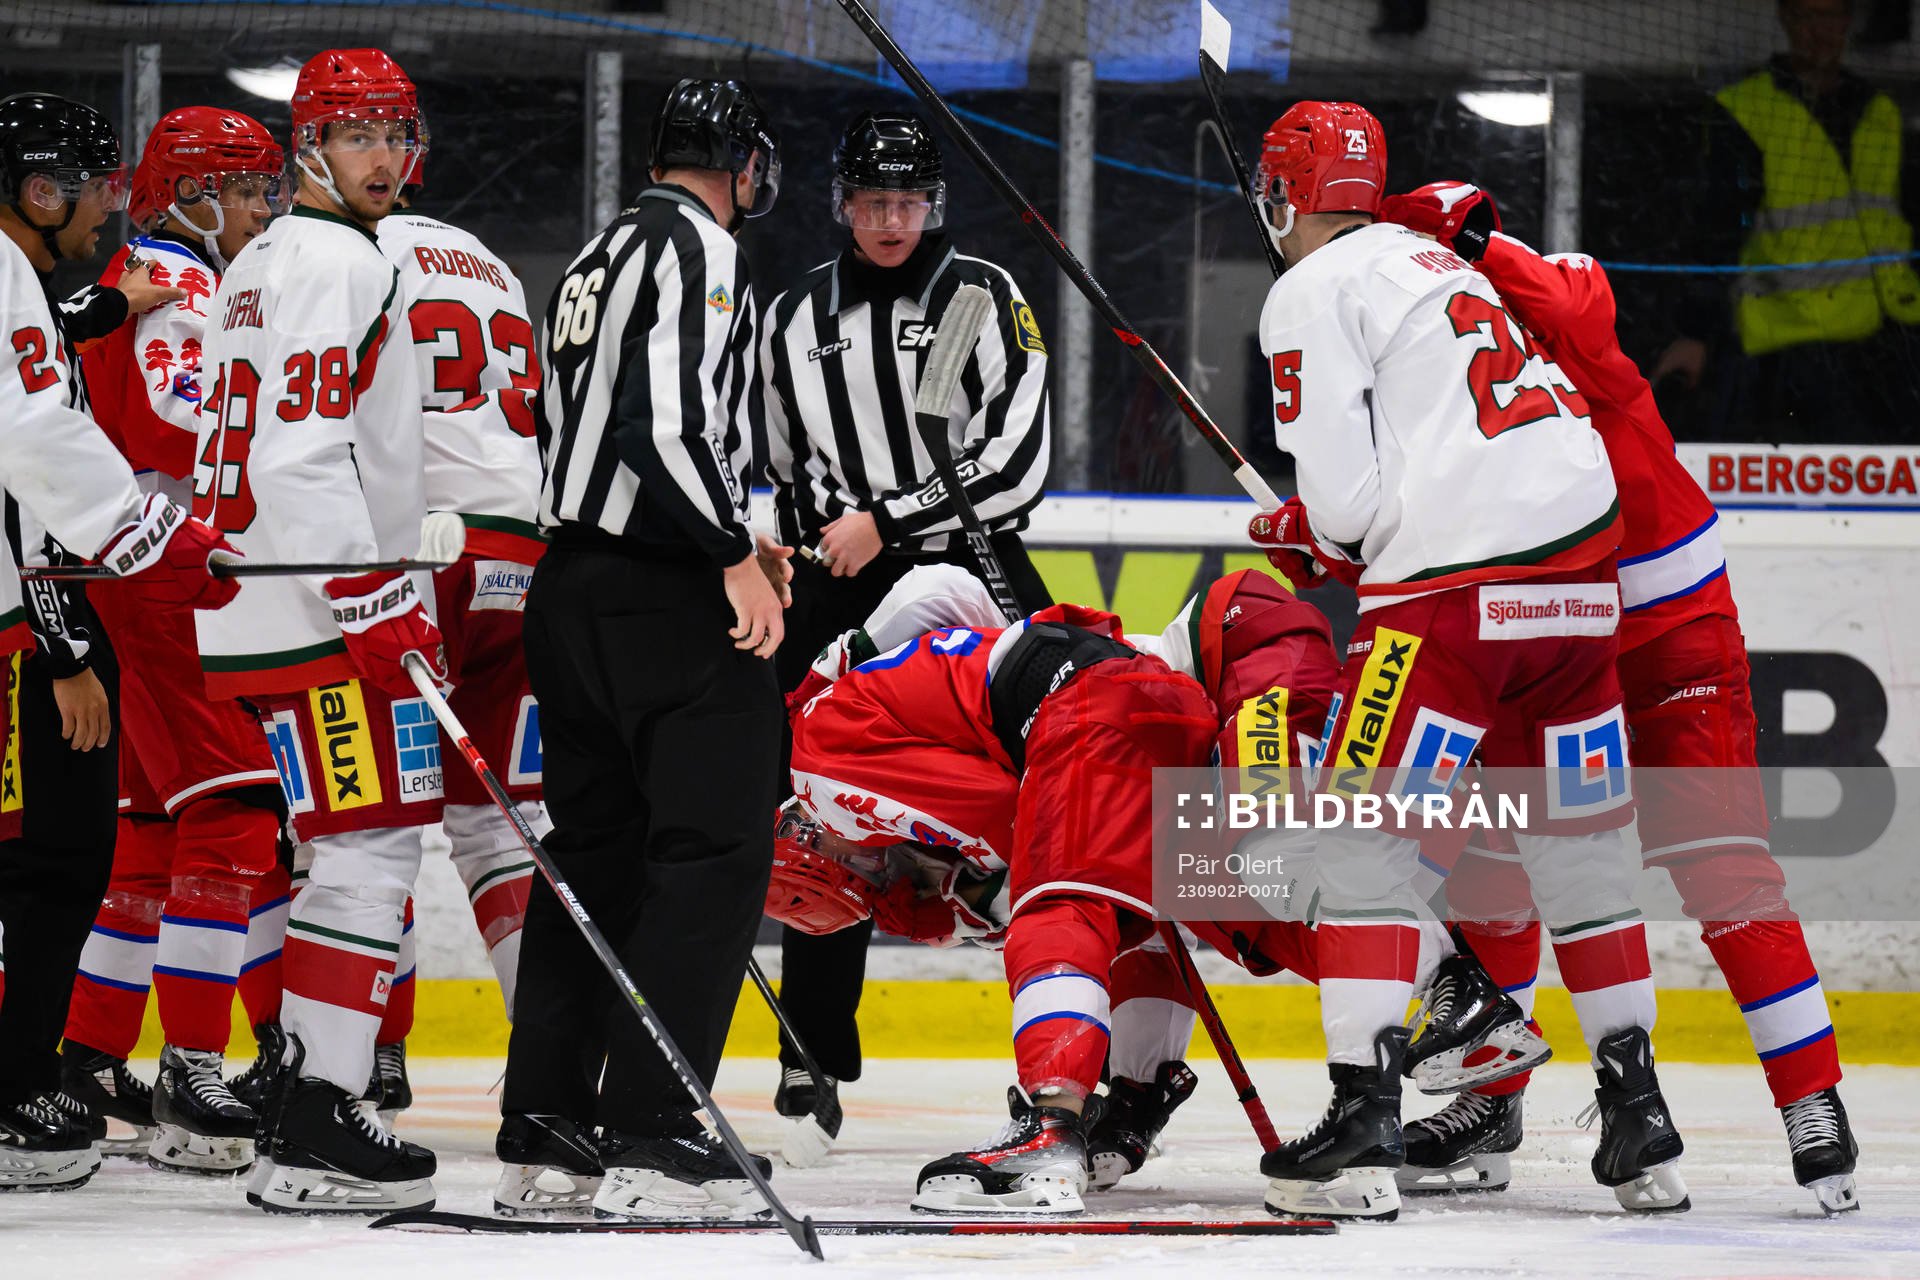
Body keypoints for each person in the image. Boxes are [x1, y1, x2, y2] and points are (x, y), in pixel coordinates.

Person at [770, 564, 1545, 1208]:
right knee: (1220, 901)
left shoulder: (817, 747)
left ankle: (1052, 1129)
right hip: (1156, 710)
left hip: (1120, 696)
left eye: (862, 872)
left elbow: (1015, 824)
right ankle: (1145, 1098)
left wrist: (995, 896)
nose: (877, 871)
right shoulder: (879, 755)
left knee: (1077, 896)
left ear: (812, 844)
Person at [1244, 101, 1685, 1221]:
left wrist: (1319, 535)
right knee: (1581, 849)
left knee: (1356, 840)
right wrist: (1354, 533)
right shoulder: (1437, 259)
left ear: (1286, 195)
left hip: (1451, 605)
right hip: (1578, 595)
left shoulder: (1307, 289)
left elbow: (1345, 508)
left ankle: (1364, 1112)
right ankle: (1640, 1114)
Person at [1381, 181, 1859, 1214]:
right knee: (1497, 862)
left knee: (1724, 870)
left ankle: (1811, 1100)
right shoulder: (1427, 377)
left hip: (1670, 625)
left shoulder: (1560, 301)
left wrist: (1466, 236)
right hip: (1552, 636)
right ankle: (1493, 1099)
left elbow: (1572, 305)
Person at [499, 77, 789, 1222]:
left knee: (595, 855)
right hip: (664, 592)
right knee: (710, 851)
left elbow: (581, 422)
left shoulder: (592, 254)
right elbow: (657, 423)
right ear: (738, 162)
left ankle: (550, 1123)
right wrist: (725, 544)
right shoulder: (700, 247)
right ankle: (662, 1129)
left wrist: (724, 523)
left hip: (568, 589)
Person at [759, 109, 1052, 1144]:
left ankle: (1062, 1048)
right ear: (842, 203)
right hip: (838, 570)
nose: (892, 219)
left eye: (910, 200)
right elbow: (782, 464)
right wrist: (819, 541)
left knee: (1048, 786)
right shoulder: (792, 314)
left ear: (936, 204)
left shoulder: (977, 294)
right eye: (874, 201)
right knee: (815, 795)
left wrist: (885, 519)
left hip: (967, 561)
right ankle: (812, 1041)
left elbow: (1016, 463)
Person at [193, 48, 443, 1214]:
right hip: (317, 606)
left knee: (343, 841)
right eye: (358, 135)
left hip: (266, 601)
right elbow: (300, 451)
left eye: (395, 132)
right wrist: (376, 597)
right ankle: (316, 1117)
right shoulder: (343, 258)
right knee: (372, 841)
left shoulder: (262, 256)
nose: (383, 156)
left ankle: (304, 1090)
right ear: (309, 148)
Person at [0, 90, 239, 1192]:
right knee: (57, 859)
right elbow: (36, 449)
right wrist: (151, 553)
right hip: (35, 621)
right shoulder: (9, 277)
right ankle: (20, 1087)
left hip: (38, 612)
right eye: (93, 193)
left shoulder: (34, 282)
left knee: (83, 851)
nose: (109, 213)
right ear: (38, 193)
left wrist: (91, 313)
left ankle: (40, 1069)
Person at [60, 105, 292, 1175]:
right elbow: (171, 428)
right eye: (247, 190)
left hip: (123, 572)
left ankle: (91, 1051)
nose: (263, 209)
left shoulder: (143, 273)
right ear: (195, 194)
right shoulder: (186, 280)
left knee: (153, 829)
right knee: (239, 809)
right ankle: (194, 1068)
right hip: (168, 572)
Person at [368, 119, 549, 1130]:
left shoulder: (348, 254)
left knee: (368, 821)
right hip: (519, 549)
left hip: (418, 552)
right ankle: (549, 1055)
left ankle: (368, 1054)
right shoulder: (484, 259)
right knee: (497, 820)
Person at [1654, 0, 1920, 441]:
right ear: (1784, 18)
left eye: (1831, 14)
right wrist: (1695, 331)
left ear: (1848, 19)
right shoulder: (1743, 109)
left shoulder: (1881, 112)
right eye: (1806, 15)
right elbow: (1714, 226)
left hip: (1885, 352)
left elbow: (1902, 221)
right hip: (1784, 353)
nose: (1820, 29)